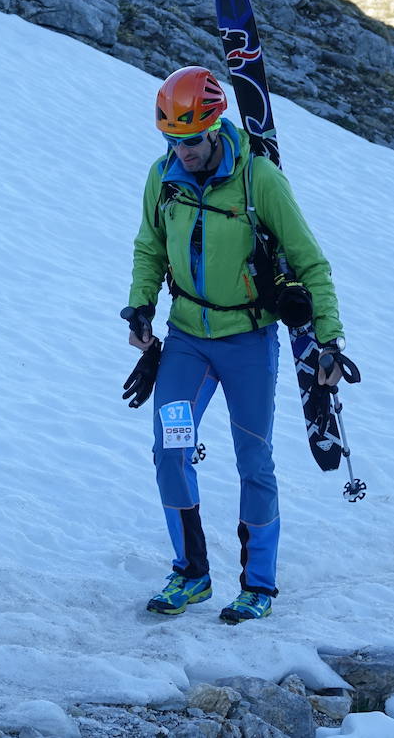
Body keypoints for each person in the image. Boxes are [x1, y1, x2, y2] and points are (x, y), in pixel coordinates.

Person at [124, 65, 345, 623]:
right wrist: (141, 307)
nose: (184, 151)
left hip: (248, 340)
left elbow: (309, 259)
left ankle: (259, 586)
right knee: (170, 451)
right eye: (173, 141)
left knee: (254, 459)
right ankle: (191, 574)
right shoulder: (163, 177)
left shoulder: (258, 179)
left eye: (192, 140)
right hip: (185, 343)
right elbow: (150, 247)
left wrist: (329, 340)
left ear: (215, 125)